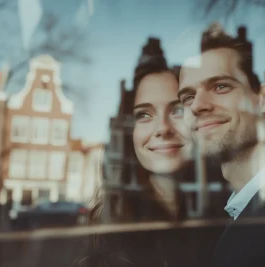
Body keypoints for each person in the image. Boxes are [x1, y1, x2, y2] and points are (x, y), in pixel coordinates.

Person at [178, 23, 265, 267]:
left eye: (220, 86)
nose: (197, 105)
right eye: (188, 97)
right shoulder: (245, 211)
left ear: (264, 98)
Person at [75, 52, 196, 267]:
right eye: (144, 114)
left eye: (177, 110)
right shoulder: (111, 246)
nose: (163, 128)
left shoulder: (228, 220)